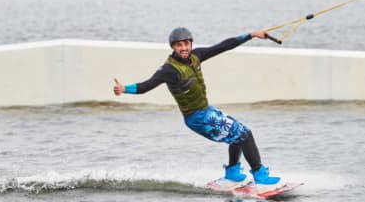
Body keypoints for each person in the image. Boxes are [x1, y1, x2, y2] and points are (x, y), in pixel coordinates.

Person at [113, 27, 281, 192]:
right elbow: (146, 86)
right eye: (179, 45)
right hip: (197, 118)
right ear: (173, 47)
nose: (184, 48)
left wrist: (252, 35)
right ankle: (261, 177)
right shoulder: (169, 70)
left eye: (186, 43)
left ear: (191, 43)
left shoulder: (196, 56)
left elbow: (223, 46)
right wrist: (124, 88)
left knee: (238, 135)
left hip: (207, 111)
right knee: (245, 135)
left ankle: (232, 174)